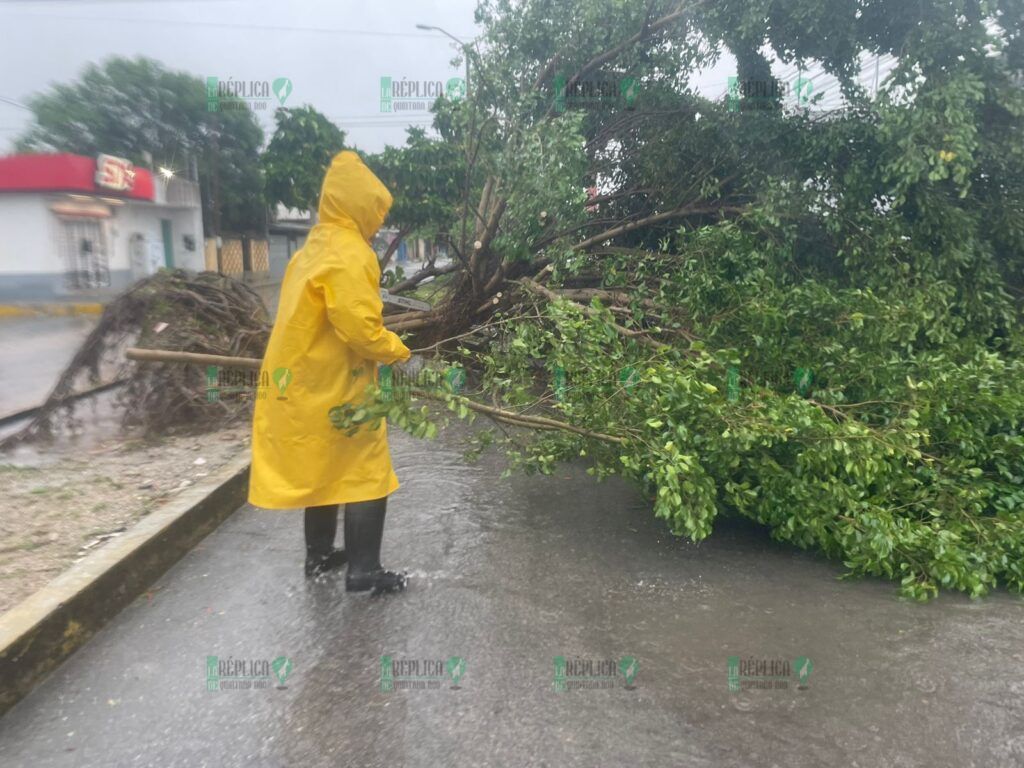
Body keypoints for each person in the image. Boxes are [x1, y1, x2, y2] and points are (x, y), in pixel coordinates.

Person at [249, 150, 416, 594]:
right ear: (359, 204)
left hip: (299, 382)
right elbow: (360, 329)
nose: (377, 221)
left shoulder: (311, 250)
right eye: (375, 210)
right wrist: (399, 351)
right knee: (366, 472)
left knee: (323, 470)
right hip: (336, 385)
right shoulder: (351, 252)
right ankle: (364, 572)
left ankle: (319, 556)